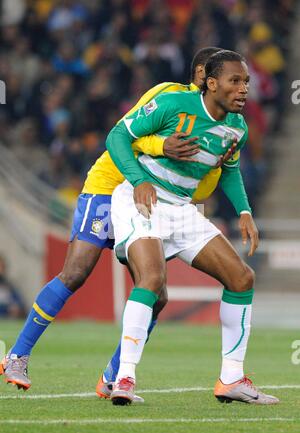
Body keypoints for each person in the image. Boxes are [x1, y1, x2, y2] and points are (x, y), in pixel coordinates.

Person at [0, 47, 232, 394]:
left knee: (157, 292)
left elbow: (199, 192)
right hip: (110, 187)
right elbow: (123, 133)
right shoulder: (168, 94)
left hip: (148, 200)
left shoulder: (215, 123)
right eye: (218, 76)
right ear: (202, 74)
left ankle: (112, 376)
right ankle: (17, 355)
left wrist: (215, 166)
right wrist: (160, 146)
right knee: (76, 272)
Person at [105, 50, 279, 406]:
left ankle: (231, 378)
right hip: (142, 198)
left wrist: (244, 211)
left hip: (182, 208)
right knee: (151, 279)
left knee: (242, 278)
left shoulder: (238, 128)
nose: (243, 89)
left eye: (246, 82)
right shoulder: (173, 105)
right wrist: (138, 179)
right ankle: (123, 378)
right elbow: (117, 137)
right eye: (235, 81)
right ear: (212, 83)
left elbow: (228, 169)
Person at [0, 255, 25, 320]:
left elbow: (20, 304)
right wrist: (6, 308)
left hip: (8, 319)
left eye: (2, 266)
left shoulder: (8, 285)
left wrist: (16, 308)